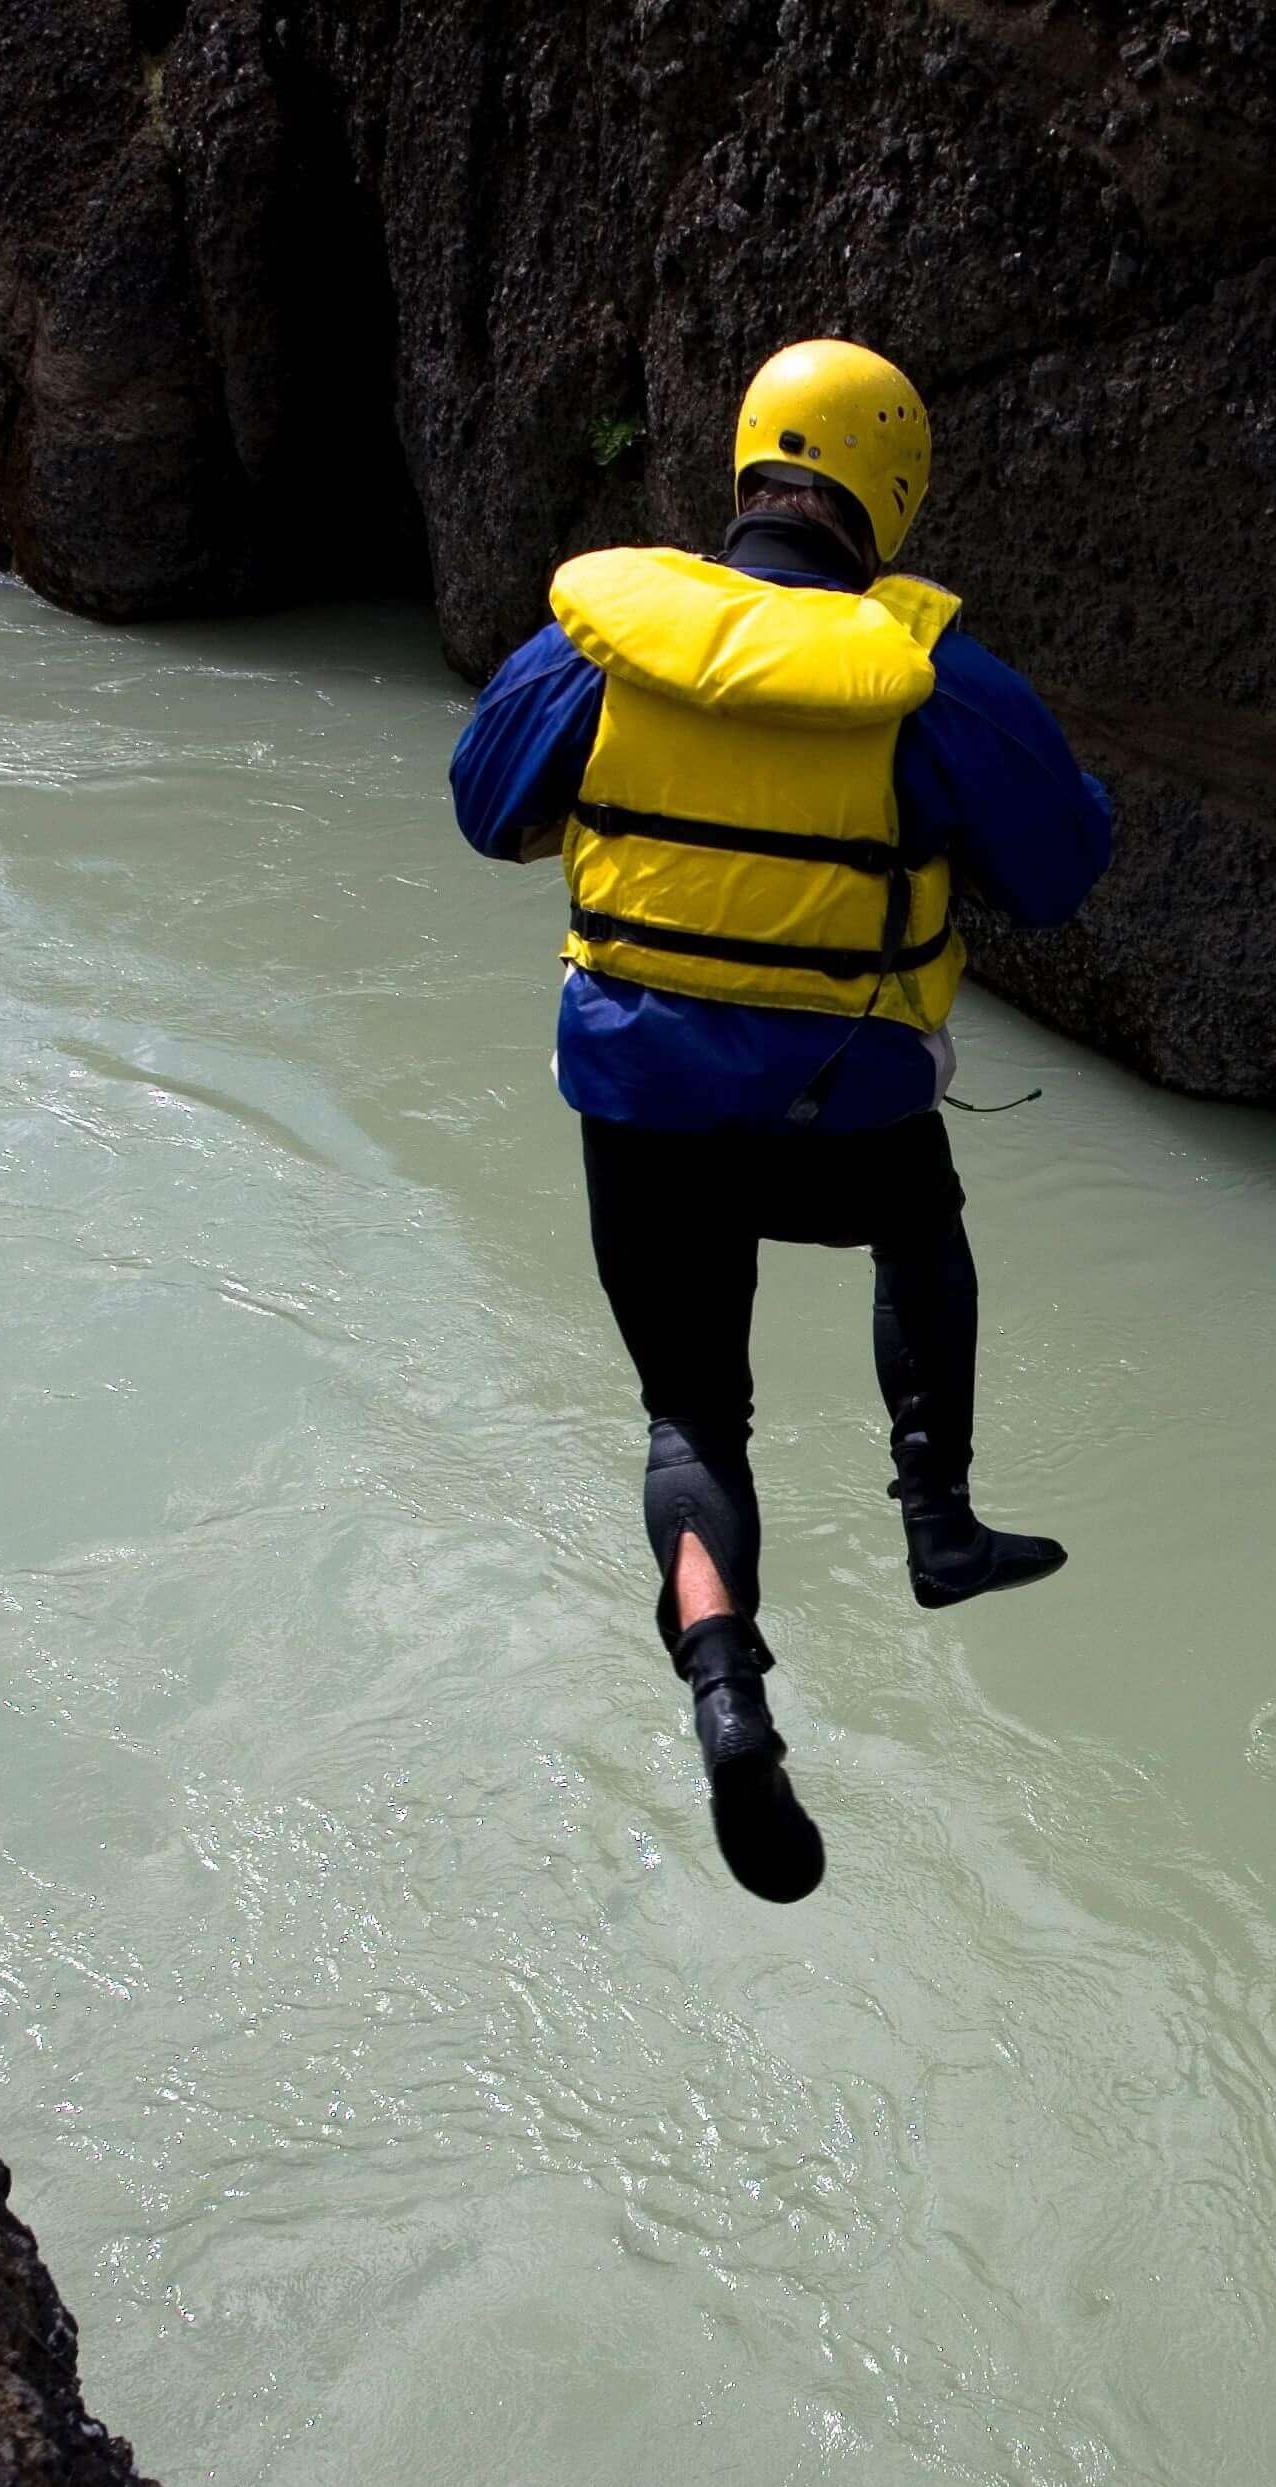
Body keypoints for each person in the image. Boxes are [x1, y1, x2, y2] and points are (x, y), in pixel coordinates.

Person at [449, 339, 1114, 1904]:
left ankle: (728, 1690)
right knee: (919, 1223)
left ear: (746, 467)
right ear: (891, 489)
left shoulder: (600, 646)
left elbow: (487, 806)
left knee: (693, 1423)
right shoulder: (935, 682)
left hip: (644, 1109)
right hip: (845, 1107)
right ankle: (938, 1521)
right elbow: (1063, 875)